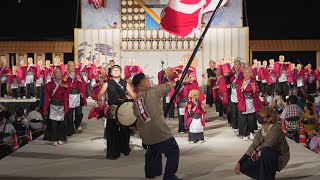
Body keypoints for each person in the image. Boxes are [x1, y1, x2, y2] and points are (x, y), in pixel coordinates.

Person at [132, 73, 181, 180]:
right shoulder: (153, 91)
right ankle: (169, 177)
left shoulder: (136, 100)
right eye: (146, 79)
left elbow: (137, 116)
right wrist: (177, 82)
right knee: (173, 150)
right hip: (159, 132)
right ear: (142, 83)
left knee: (153, 149)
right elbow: (167, 86)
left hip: (145, 135)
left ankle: (151, 172)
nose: (148, 80)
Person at [234, 106, 290, 180]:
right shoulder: (261, 132)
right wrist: (239, 162)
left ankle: (266, 176)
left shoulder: (276, 128)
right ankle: (266, 177)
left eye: (261, 114)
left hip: (279, 158)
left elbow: (269, 143)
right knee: (244, 166)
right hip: (266, 158)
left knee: (266, 150)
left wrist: (257, 150)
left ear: (269, 118)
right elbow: (252, 147)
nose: (259, 116)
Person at [97, 65, 136, 160]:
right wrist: (100, 103)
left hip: (123, 109)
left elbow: (133, 95)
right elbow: (100, 94)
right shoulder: (108, 83)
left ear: (121, 72)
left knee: (124, 131)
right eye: (114, 70)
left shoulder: (124, 83)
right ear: (110, 73)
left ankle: (124, 148)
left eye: (118, 70)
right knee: (111, 131)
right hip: (112, 109)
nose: (115, 71)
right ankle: (112, 153)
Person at [44, 68, 70, 146]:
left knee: (61, 123)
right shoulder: (49, 84)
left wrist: (66, 87)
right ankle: (54, 139)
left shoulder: (64, 83)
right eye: (56, 73)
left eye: (60, 73)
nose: (58, 75)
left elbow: (67, 95)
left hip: (61, 106)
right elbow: (46, 97)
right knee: (53, 123)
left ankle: (59, 138)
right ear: (53, 75)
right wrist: (45, 108)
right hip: (53, 106)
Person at [236, 67, 262, 141]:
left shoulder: (253, 82)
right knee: (244, 119)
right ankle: (245, 134)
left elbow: (257, 91)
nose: (246, 74)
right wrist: (241, 89)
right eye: (245, 73)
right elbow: (238, 91)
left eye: (248, 72)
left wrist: (254, 90)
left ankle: (251, 132)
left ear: (250, 73)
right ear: (243, 74)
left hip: (251, 102)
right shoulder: (241, 82)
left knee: (251, 119)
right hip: (244, 102)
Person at [64, 61, 87, 136]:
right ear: (68, 67)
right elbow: (62, 84)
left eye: (73, 65)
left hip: (77, 96)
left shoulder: (78, 74)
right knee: (69, 114)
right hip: (69, 96)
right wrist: (64, 80)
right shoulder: (65, 75)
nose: (72, 67)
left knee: (79, 114)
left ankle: (76, 124)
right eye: (70, 66)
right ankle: (70, 130)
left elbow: (83, 84)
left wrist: (80, 81)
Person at [227, 60, 243, 130]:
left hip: (240, 94)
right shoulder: (231, 74)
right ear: (234, 65)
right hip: (232, 93)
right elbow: (226, 81)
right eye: (235, 64)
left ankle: (240, 124)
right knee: (233, 111)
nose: (237, 66)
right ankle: (234, 125)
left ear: (240, 66)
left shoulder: (242, 74)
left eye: (238, 64)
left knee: (240, 111)